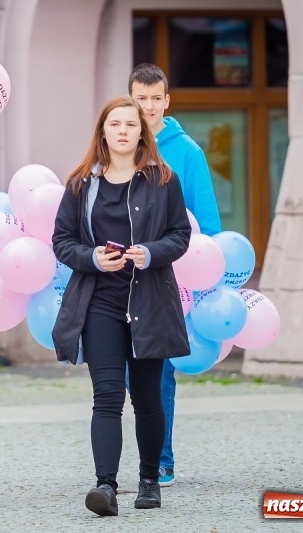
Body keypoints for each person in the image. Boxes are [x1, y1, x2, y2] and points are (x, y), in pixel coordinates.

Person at [51, 95, 191, 516]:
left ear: (142, 132)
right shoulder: (81, 184)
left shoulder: (163, 180)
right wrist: (92, 257)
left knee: (147, 397)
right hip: (99, 303)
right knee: (107, 396)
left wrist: (149, 252)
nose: (124, 131)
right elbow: (62, 241)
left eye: (131, 124)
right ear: (104, 132)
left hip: (148, 302)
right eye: (116, 124)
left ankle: (150, 481)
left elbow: (180, 235)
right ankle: (105, 487)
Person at [129, 63, 222, 487]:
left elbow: (207, 221)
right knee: (127, 371)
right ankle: (143, 452)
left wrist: (209, 276)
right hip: (121, 273)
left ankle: (161, 459)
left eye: (154, 98)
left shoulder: (187, 152)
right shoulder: (117, 142)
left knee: (160, 367)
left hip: (170, 277)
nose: (147, 107)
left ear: (167, 101)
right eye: (139, 98)